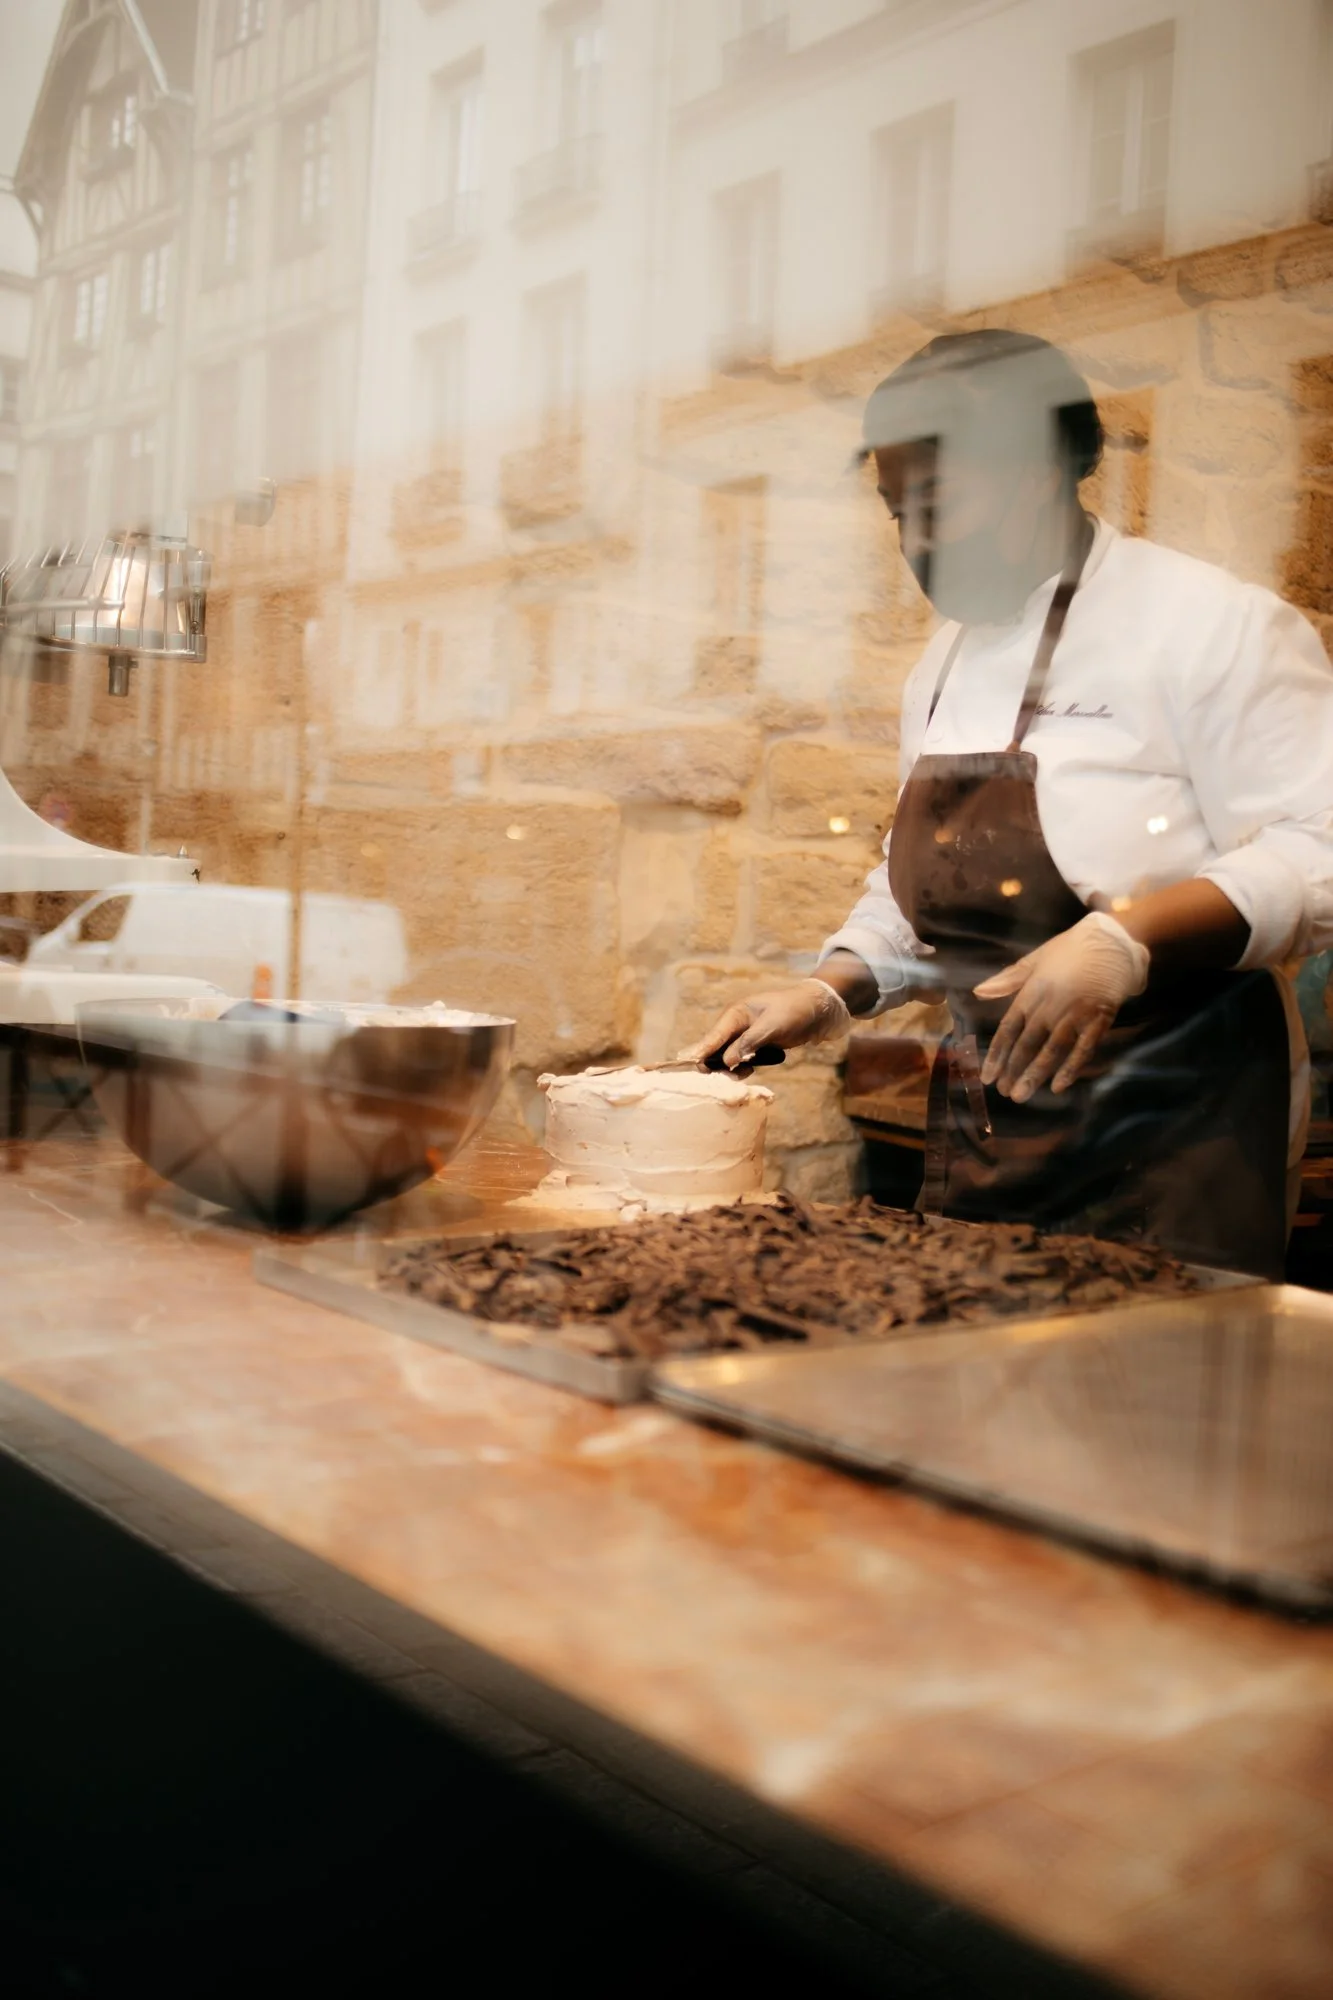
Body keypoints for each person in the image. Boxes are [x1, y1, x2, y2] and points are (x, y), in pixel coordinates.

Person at [683, 329, 1333, 1277]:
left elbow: (1319, 850)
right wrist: (829, 988)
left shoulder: (1208, 626)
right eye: (896, 511)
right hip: (995, 1127)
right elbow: (925, 885)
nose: (914, 542)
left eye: (936, 505)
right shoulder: (942, 665)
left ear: (1034, 473)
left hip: (1178, 1123)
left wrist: (1124, 943)